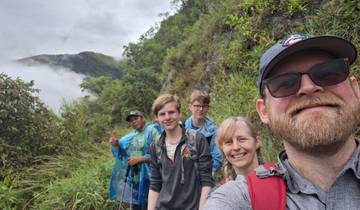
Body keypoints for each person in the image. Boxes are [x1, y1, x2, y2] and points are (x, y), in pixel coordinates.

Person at [204, 33, 360, 209]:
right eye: (284, 83)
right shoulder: (234, 200)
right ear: (264, 111)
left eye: (329, 72)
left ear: (356, 90)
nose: (308, 87)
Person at [148, 94, 214, 210]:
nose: (167, 117)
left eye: (171, 112)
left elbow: (207, 181)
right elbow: (155, 183)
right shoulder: (155, 146)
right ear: (157, 118)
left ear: (179, 113)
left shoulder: (197, 140)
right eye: (162, 114)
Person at [109, 110, 160, 210]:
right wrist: (116, 145)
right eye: (131, 120)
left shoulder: (152, 131)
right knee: (136, 205)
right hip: (135, 178)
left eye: (136, 118)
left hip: (151, 177)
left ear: (143, 118)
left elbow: (161, 152)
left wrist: (141, 159)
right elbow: (123, 155)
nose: (133, 122)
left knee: (151, 204)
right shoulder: (131, 136)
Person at [184, 90, 222, 176]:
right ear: (190, 107)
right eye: (197, 106)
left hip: (206, 174)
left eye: (204, 106)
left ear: (208, 108)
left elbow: (217, 157)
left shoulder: (214, 131)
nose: (200, 109)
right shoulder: (182, 128)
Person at [216, 117, 261, 182]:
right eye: (228, 142)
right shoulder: (221, 191)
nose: (236, 147)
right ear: (222, 148)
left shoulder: (278, 179)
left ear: (257, 142)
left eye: (242, 139)